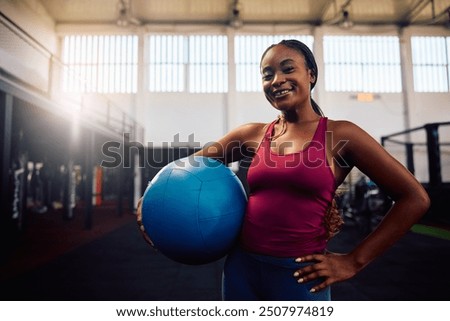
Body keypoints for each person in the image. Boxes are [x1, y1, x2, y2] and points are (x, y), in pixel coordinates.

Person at [136, 39, 430, 300]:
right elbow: (185, 169)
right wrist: (151, 201)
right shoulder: (251, 134)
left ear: (311, 75)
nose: (277, 80)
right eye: (268, 74)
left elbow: (414, 197)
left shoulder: (342, 135)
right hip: (241, 271)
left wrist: (353, 261)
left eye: (288, 69)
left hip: (300, 277)